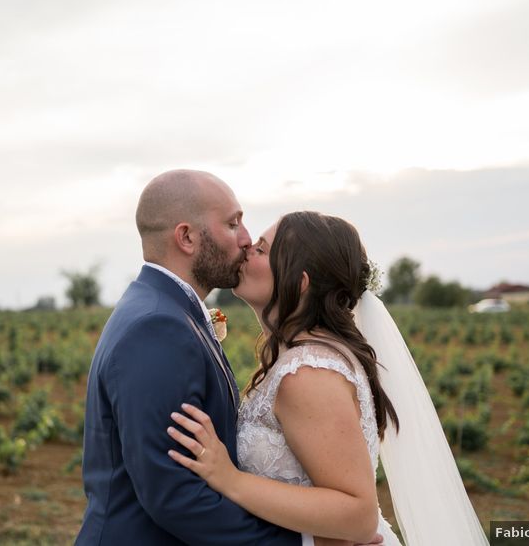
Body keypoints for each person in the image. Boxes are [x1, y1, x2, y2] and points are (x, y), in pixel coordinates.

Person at [167, 211, 490, 546]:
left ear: (300, 282)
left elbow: (358, 516)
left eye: (262, 250)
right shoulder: (304, 357)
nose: (246, 247)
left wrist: (230, 480)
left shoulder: (308, 373)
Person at [77, 171, 323, 544]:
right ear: (187, 237)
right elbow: (174, 495)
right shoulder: (157, 326)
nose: (245, 240)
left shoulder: (164, 310)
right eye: (232, 223)